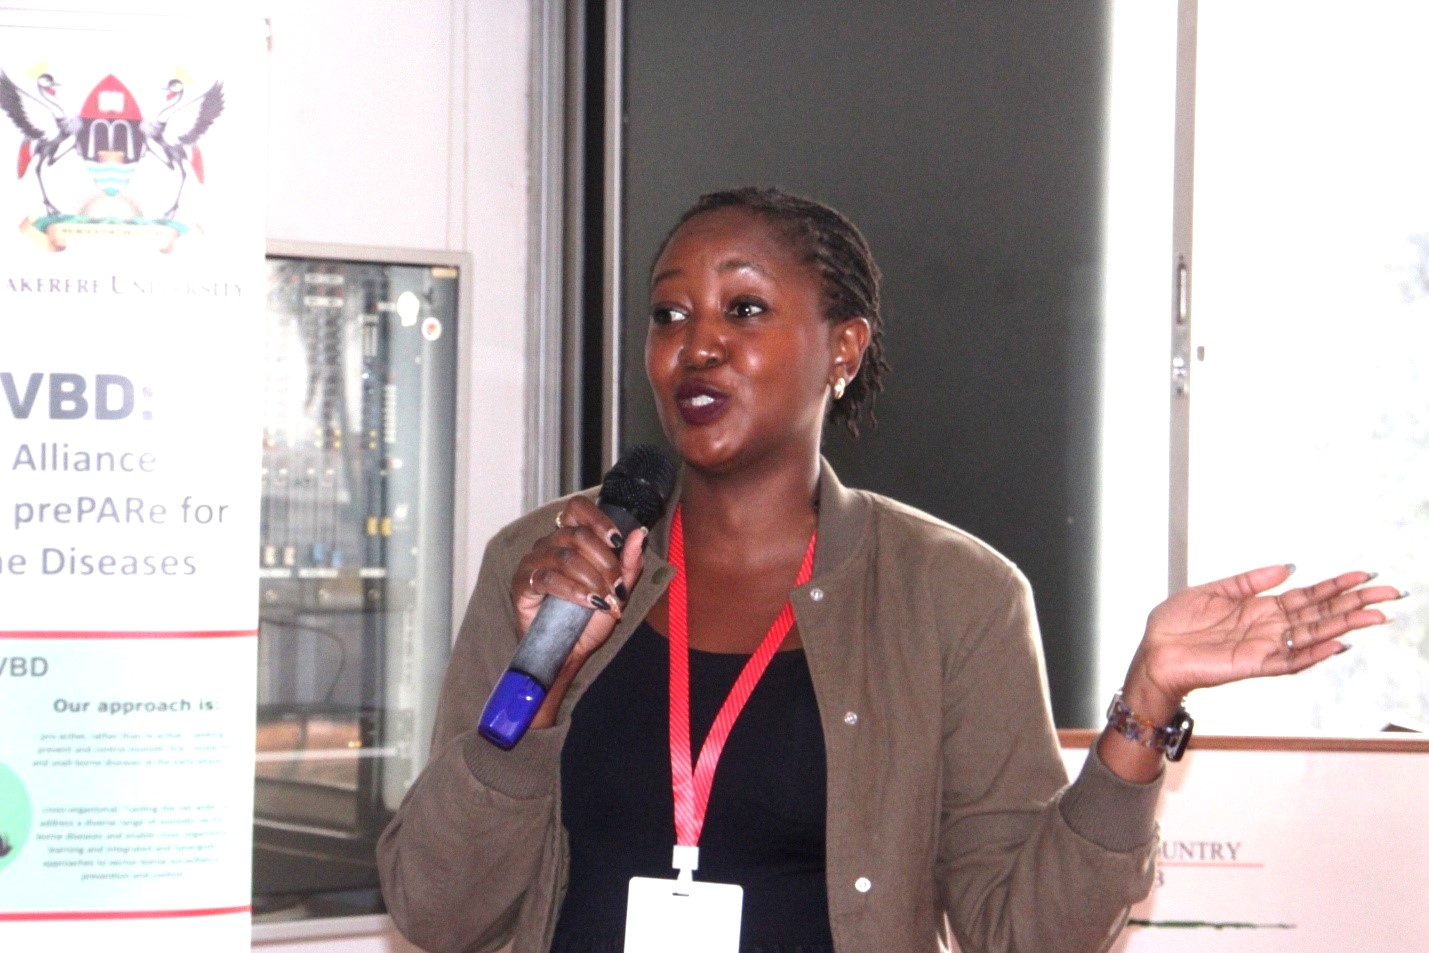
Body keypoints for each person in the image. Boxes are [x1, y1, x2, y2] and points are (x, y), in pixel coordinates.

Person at [377, 187, 1401, 953]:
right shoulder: (548, 563)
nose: (696, 347)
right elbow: (435, 904)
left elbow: (1022, 927)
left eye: (742, 310)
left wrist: (1144, 703)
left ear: (842, 348)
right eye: (669, 313)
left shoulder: (955, 593)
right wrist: (538, 687)